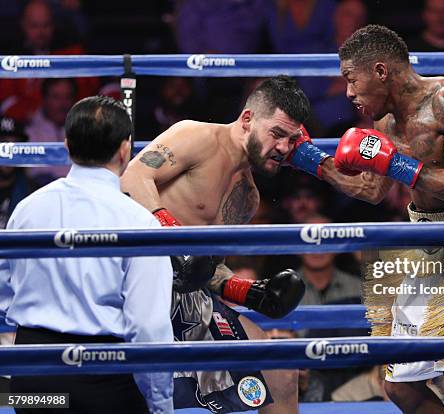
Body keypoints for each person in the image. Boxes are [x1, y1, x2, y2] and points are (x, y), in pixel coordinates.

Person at [283, 24, 444, 414]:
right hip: (427, 247)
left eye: (351, 79)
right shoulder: (384, 123)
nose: (348, 92)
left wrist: (398, 164)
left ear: (381, 71)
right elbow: (372, 190)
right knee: (401, 386)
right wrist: (310, 160)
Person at [121, 75, 308, 414]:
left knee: (281, 369)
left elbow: (205, 268)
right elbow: (133, 177)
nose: (283, 147)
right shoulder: (196, 135)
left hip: (190, 300)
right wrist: (176, 241)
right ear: (248, 120)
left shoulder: (247, 197)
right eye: (277, 134)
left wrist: (247, 292)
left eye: (292, 139)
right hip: (139, 286)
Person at [0, 96, 174, 413]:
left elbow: (4, 290)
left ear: (66, 145)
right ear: (126, 149)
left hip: (31, 378)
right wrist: (161, 403)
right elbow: (149, 326)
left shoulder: (26, 210)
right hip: (102, 378)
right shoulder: (137, 221)